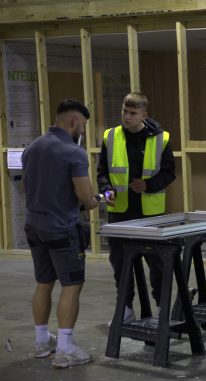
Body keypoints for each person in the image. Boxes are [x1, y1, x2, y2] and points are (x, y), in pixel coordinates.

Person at [23, 99, 106, 368]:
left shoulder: (32, 147)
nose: (82, 130)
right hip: (62, 229)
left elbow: (32, 186)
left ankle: (41, 342)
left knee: (44, 282)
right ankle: (65, 349)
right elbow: (85, 197)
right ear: (74, 121)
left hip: (35, 227)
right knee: (72, 284)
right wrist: (97, 200)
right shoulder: (73, 152)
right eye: (83, 124)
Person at [97, 92, 176, 325]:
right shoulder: (110, 137)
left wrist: (148, 185)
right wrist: (107, 189)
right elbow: (102, 171)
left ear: (144, 114)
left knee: (157, 264)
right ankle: (126, 307)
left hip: (150, 214)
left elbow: (169, 173)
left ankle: (162, 308)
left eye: (132, 113)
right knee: (120, 263)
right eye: (124, 111)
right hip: (120, 212)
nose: (127, 117)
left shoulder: (161, 139)